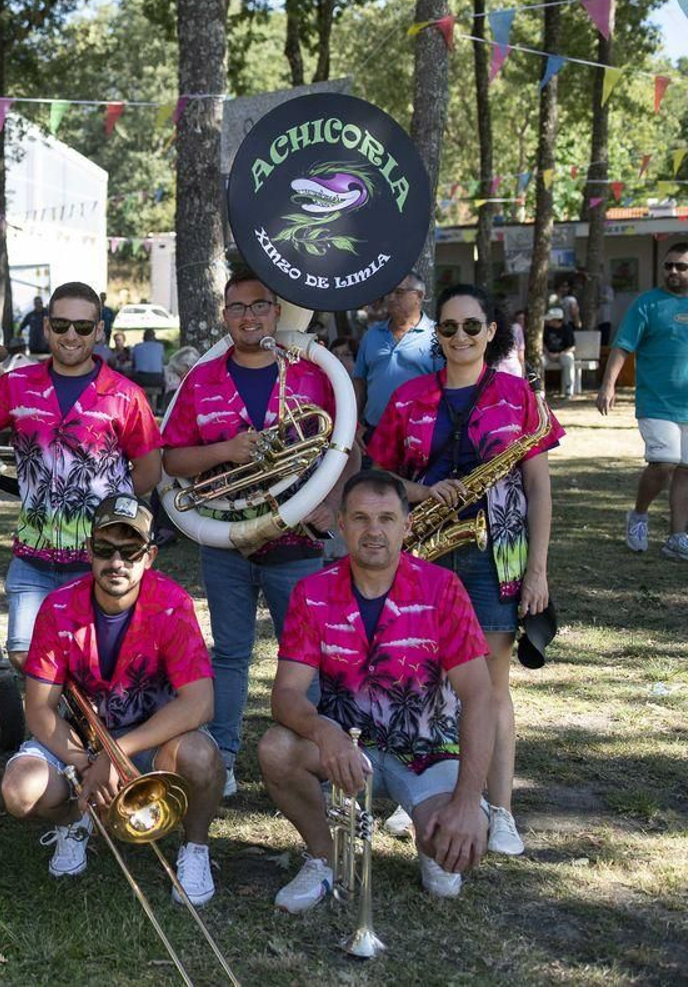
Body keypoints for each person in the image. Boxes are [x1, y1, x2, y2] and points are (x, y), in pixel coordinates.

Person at [368, 283, 560, 855]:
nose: (459, 338)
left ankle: (498, 809)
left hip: (494, 549)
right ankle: (422, 793)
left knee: (490, 685)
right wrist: (423, 490)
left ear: (491, 331)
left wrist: (538, 570)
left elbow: (538, 488)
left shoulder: (515, 395)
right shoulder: (409, 397)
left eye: (471, 327)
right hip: (423, 546)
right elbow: (378, 475)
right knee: (419, 679)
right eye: (447, 328)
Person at [0, 281, 163, 671]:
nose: (71, 335)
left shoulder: (126, 395)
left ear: (99, 330)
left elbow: (149, 473)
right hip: (34, 556)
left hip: (101, 559)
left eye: (83, 327)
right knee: (24, 655)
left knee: (94, 660)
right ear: (48, 327)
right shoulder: (19, 385)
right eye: (61, 324)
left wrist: (99, 499)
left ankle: (78, 729)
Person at [258, 470, 493, 907]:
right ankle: (323, 858)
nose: (373, 531)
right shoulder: (312, 592)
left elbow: (480, 695)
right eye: (361, 518)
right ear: (341, 525)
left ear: (407, 525)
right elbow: (286, 695)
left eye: (386, 518)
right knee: (276, 748)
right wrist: (323, 731)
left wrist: (467, 801)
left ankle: (435, 831)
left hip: (427, 754)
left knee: (449, 856)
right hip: (348, 752)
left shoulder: (443, 588)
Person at [161, 271, 342, 796]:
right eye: (237, 307)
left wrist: (330, 502)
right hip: (225, 537)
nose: (249, 317)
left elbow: (343, 446)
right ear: (225, 315)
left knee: (307, 654)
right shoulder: (201, 378)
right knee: (231, 652)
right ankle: (225, 757)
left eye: (260, 306)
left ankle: (315, 755)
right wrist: (226, 452)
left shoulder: (312, 374)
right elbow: (172, 457)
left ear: (275, 312)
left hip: (298, 541)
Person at [0, 495, 223, 903]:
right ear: (89, 551)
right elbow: (38, 709)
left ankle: (195, 849)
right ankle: (78, 819)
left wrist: (117, 754)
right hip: (79, 743)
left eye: (130, 550)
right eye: (104, 549)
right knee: (20, 789)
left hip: (149, 742)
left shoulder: (173, 605)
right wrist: (89, 767)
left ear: (150, 556)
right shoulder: (58, 607)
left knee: (204, 757)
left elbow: (200, 703)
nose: (116, 562)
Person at [599, 243, 688, 559]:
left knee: (685, 470)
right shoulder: (647, 304)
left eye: (681, 266)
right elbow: (623, 346)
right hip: (656, 402)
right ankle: (638, 515)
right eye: (669, 266)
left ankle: (677, 538)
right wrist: (608, 385)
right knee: (664, 464)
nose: (673, 272)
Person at [352, 273, 440, 442]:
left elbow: (447, 386)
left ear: (419, 296)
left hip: (419, 435)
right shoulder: (372, 335)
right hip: (374, 433)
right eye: (389, 292)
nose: (391, 298)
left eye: (399, 292)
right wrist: (355, 424)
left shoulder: (436, 336)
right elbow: (359, 382)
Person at [542, 307, 578, 398]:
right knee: (540, 361)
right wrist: (548, 353)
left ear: (556, 320)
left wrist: (560, 354)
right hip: (548, 354)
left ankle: (568, 389)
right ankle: (540, 390)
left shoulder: (567, 329)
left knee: (568, 360)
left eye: (550, 320)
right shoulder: (546, 329)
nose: (548, 321)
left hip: (563, 353)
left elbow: (572, 347)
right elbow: (542, 344)